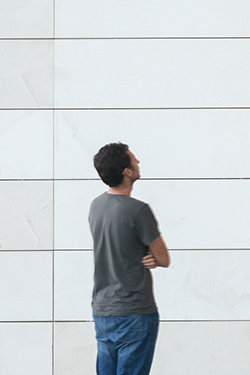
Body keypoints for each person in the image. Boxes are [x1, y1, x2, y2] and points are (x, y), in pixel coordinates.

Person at [90, 142, 170, 375]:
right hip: (134, 311)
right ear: (126, 171)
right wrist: (153, 258)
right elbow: (163, 258)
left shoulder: (96, 206)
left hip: (102, 310)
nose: (137, 163)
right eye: (133, 160)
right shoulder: (138, 210)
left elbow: (117, 245)